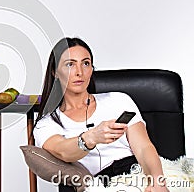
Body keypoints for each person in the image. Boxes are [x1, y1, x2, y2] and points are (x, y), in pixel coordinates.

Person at [33, 37, 168, 192]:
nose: (79, 72)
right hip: (95, 184)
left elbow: (144, 147)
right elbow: (62, 151)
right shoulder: (47, 124)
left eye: (85, 63)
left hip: (132, 174)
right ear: (55, 72)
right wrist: (91, 137)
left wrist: (157, 181)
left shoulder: (119, 100)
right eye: (70, 64)